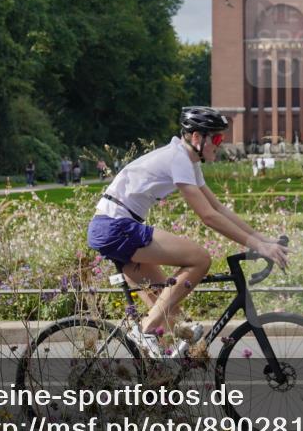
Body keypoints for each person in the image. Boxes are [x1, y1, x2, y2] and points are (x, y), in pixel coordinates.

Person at [87, 106, 288, 359]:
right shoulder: (178, 158)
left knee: (172, 317)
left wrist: (262, 239)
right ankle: (146, 330)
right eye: (216, 138)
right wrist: (258, 247)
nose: (220, 144)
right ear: (196, 137)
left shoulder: (188, 161)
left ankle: (155, 377)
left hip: (116, 227)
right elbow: (208, 216)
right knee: (200, 259)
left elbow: (217, 207)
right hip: (116, 226)